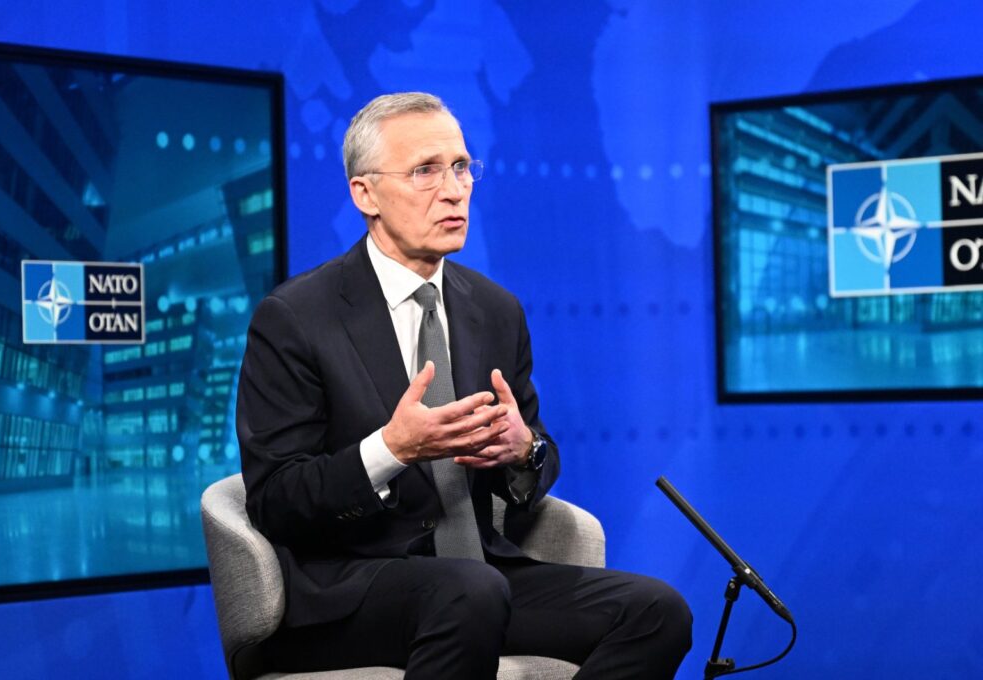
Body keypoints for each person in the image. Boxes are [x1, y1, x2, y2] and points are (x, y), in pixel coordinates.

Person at [236, 91, 692, 679]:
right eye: (425, 170)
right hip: (351, 590)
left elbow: (537, 455)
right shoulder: (297, 317)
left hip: (481, 573)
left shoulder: (496, 310)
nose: (454, 190)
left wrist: (522, 450)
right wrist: (391, 450)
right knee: (468, 592)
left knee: (656, 611)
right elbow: (275, 499)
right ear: (364, 194)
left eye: (461, 167)